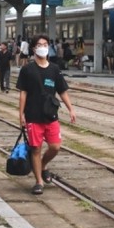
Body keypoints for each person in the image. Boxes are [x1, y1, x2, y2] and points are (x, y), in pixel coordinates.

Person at [17, 34, 76, 195]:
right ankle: (38, 181)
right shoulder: (27, 69)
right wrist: (21, 114)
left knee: (55, 147)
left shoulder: (54, 69)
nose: (42, 47)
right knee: (35, 148)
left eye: (45, 44)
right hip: (32, 115)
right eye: (39, 45)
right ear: (34, 48)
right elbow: (23, 93)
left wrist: (71, 109)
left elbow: (62, 91)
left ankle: (43, 165)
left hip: (50, 115)